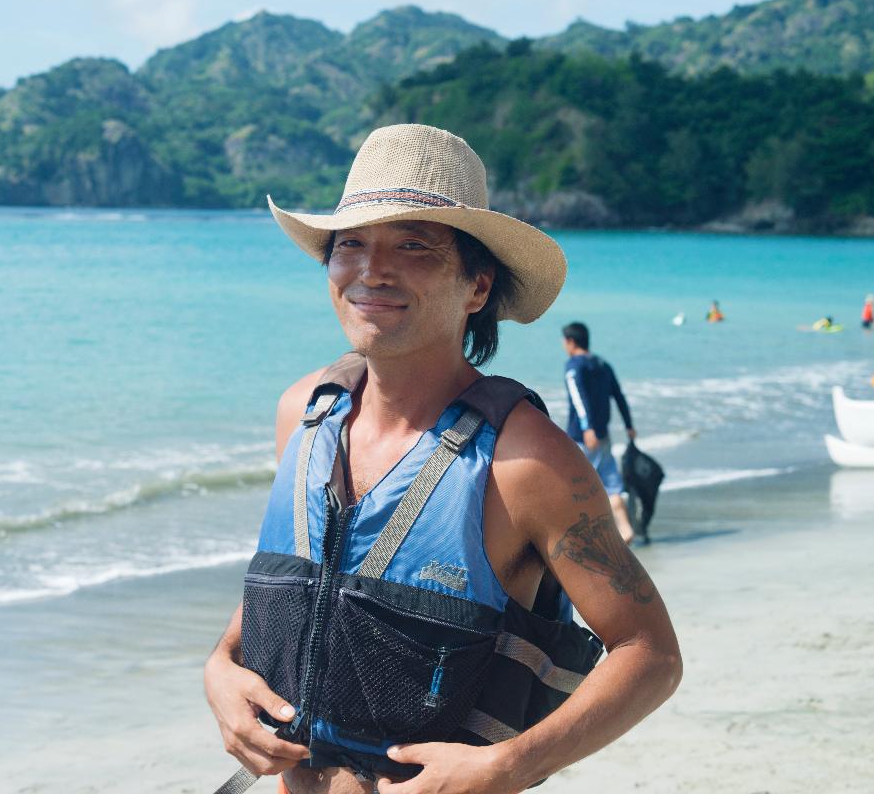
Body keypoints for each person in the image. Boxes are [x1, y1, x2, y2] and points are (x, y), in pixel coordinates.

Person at [203, 124, 681, 794]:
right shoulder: (303, 416)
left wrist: (512, 764)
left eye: (413, 246)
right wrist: (221, 667)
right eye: (351, 245)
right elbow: (301, 577)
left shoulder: (525, 461)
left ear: (478, 287)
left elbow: (650, 653)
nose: (372, 270)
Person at [561, 322, 638, 544]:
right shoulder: (603, 364)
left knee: (578, 484)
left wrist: (587, 427)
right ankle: (625, 528)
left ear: (571, 342)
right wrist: (629, 425)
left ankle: (585, 537)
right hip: (603, 434)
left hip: (583, 437)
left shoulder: (574, 366)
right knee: (611, 482)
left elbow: (578, 397)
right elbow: (619, 396)